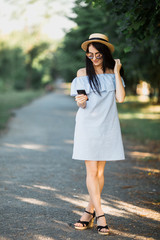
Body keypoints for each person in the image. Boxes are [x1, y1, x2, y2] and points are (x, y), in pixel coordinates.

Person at [70, 33, 126, 235]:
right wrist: (81, 101)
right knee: (91, 172)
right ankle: (101, 215)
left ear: (105, 54)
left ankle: (88, 212)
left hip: (107, 127)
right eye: (90, 54)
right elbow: (81, 102)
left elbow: (120, 98)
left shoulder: (113, 73)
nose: (93, 58)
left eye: (98, 55)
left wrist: (118, 71)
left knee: (100, 173)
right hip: (87, 127)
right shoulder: (82, 73)